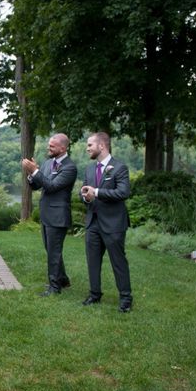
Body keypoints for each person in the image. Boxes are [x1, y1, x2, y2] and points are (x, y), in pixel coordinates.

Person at [80, 132, 133, 312]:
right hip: (93, 223)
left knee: (118, 262)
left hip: (113, 224)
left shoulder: (119, 168)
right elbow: (85, 193)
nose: (87, 149)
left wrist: (97, 192)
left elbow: (123, 193)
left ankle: (126, 298)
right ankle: (95, 294)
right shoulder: (88, 169)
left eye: (89, 145)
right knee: (92, 261)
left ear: (101, 146)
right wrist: (86, 197)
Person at [21, 133, 77, 296]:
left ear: (63, 148)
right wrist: (31, 174)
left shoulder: (69, 167)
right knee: (52, 250)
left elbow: (52, 186)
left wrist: (36, 171)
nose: (48, 148)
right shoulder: (47, 163)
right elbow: (37, 186)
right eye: (48, 145)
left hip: (58, 216)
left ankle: (54, 287)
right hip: (47, 215)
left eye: (52, 146)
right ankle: (63, 279)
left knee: (54, 252)